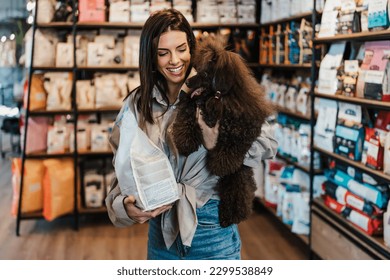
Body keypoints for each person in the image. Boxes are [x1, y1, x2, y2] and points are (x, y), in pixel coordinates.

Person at [105, 8, 278, 260]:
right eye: (163, 53)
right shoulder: (137, 105)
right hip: (161, 233)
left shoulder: (220, 89)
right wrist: (124, 207)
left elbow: (268, 143)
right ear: (151, 58)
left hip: (212, 229)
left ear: (191, 47)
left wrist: (216, 143)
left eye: (181, 49)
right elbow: (122, 168)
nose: (174, 60)